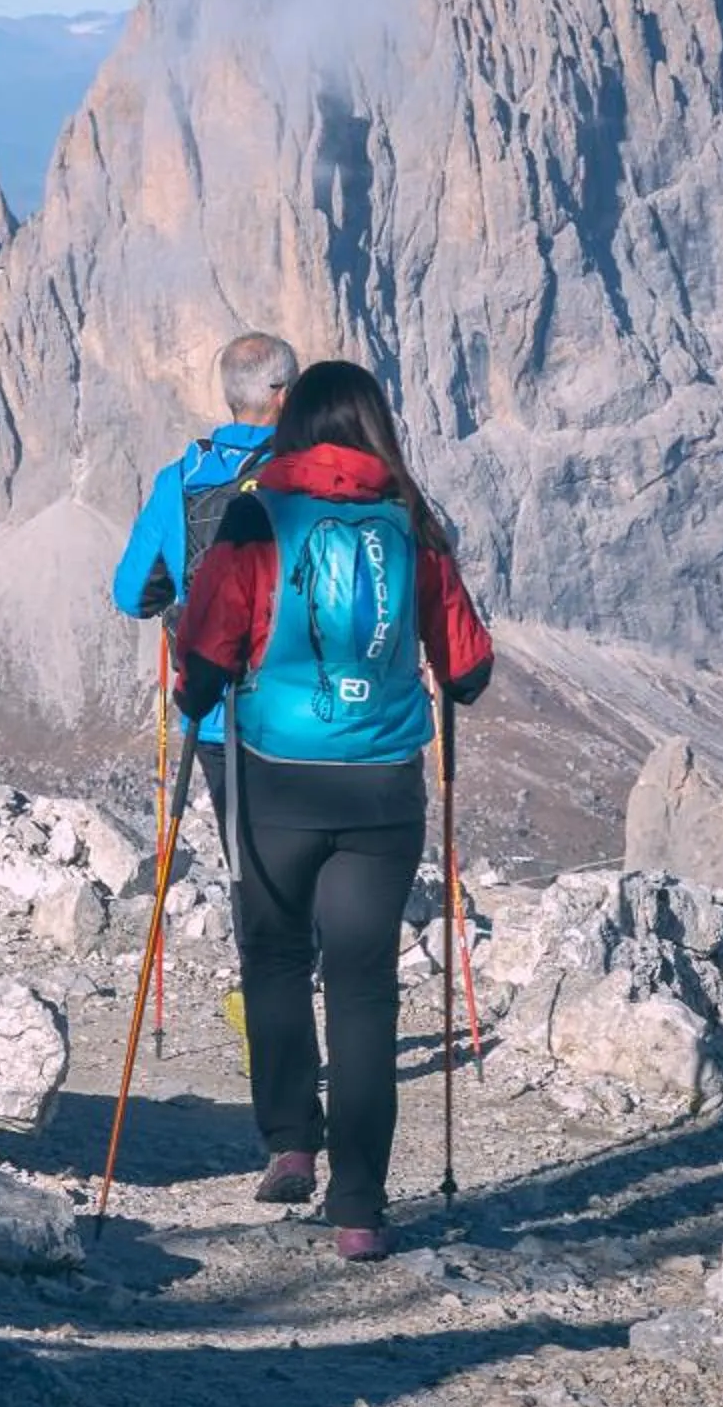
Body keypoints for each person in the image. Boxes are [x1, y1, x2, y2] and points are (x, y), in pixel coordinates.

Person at [175, 359, 493, 1261]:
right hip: (384, 784)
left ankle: (289, 1143)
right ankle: (360, 1207)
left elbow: (204, 653)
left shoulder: (254, 515)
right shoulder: (414, 521)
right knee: (365, 988)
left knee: (273, 953)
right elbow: (468, 671)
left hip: (275, 777)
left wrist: (203, 687)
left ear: (293, 422)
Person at [111, 329, 297, 790]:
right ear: (284, 396)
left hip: (217, 714)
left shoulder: (178, 480)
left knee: (247, 856)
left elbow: (131, 595)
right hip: (305, 715)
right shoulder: (310, 473)